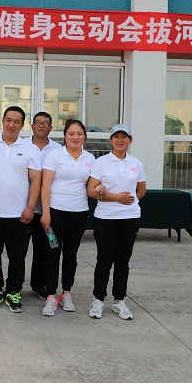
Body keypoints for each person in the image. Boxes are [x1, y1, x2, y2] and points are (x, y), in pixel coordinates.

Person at [0, 106, 42, 313]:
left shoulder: (30, 149)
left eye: (16, 121)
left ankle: (14, 291)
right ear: (2, 120)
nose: (11, 125)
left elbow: (36, 181)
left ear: (22, 125)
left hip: (19, 215)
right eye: (8, 120)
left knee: (17, 258)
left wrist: (30, 207)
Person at [86, 123, 146, 320]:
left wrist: (128, 203)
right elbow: (92, 190)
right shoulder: (100, 162)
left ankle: (119, 300)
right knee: (104, 260)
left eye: (124, 137)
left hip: (130, 218)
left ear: (130, 140)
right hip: (105, 218)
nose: (120, 140)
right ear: (110, 140)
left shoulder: (136, 163)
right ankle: (98, 299)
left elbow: (141, 191)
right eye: (116, 137)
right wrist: (116, 198)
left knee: (123, 261)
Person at [39, 119, 95, 316]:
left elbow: (93, 184)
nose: (75, 137)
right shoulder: (55, 155)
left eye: (79, 134)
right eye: (71, 133)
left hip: (78, 213)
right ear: (65, 136)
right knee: (52, 253)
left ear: (84, 137)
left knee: (71, 255)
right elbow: (45, 186)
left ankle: (67, 293)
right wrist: (46, 213)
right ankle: (51, 296)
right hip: (55, 213)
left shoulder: (90, 158)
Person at [28, 112, 61, 300]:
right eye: (38, 122)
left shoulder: (58, 150)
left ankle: (39, 284)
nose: (41, 126)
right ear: (32, 126)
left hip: (47, 210)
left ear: (51, 128)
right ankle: (13, 286)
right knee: (18, 250)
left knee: (44, 249)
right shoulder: (22, 145)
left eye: (45, 123)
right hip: (25, 208)